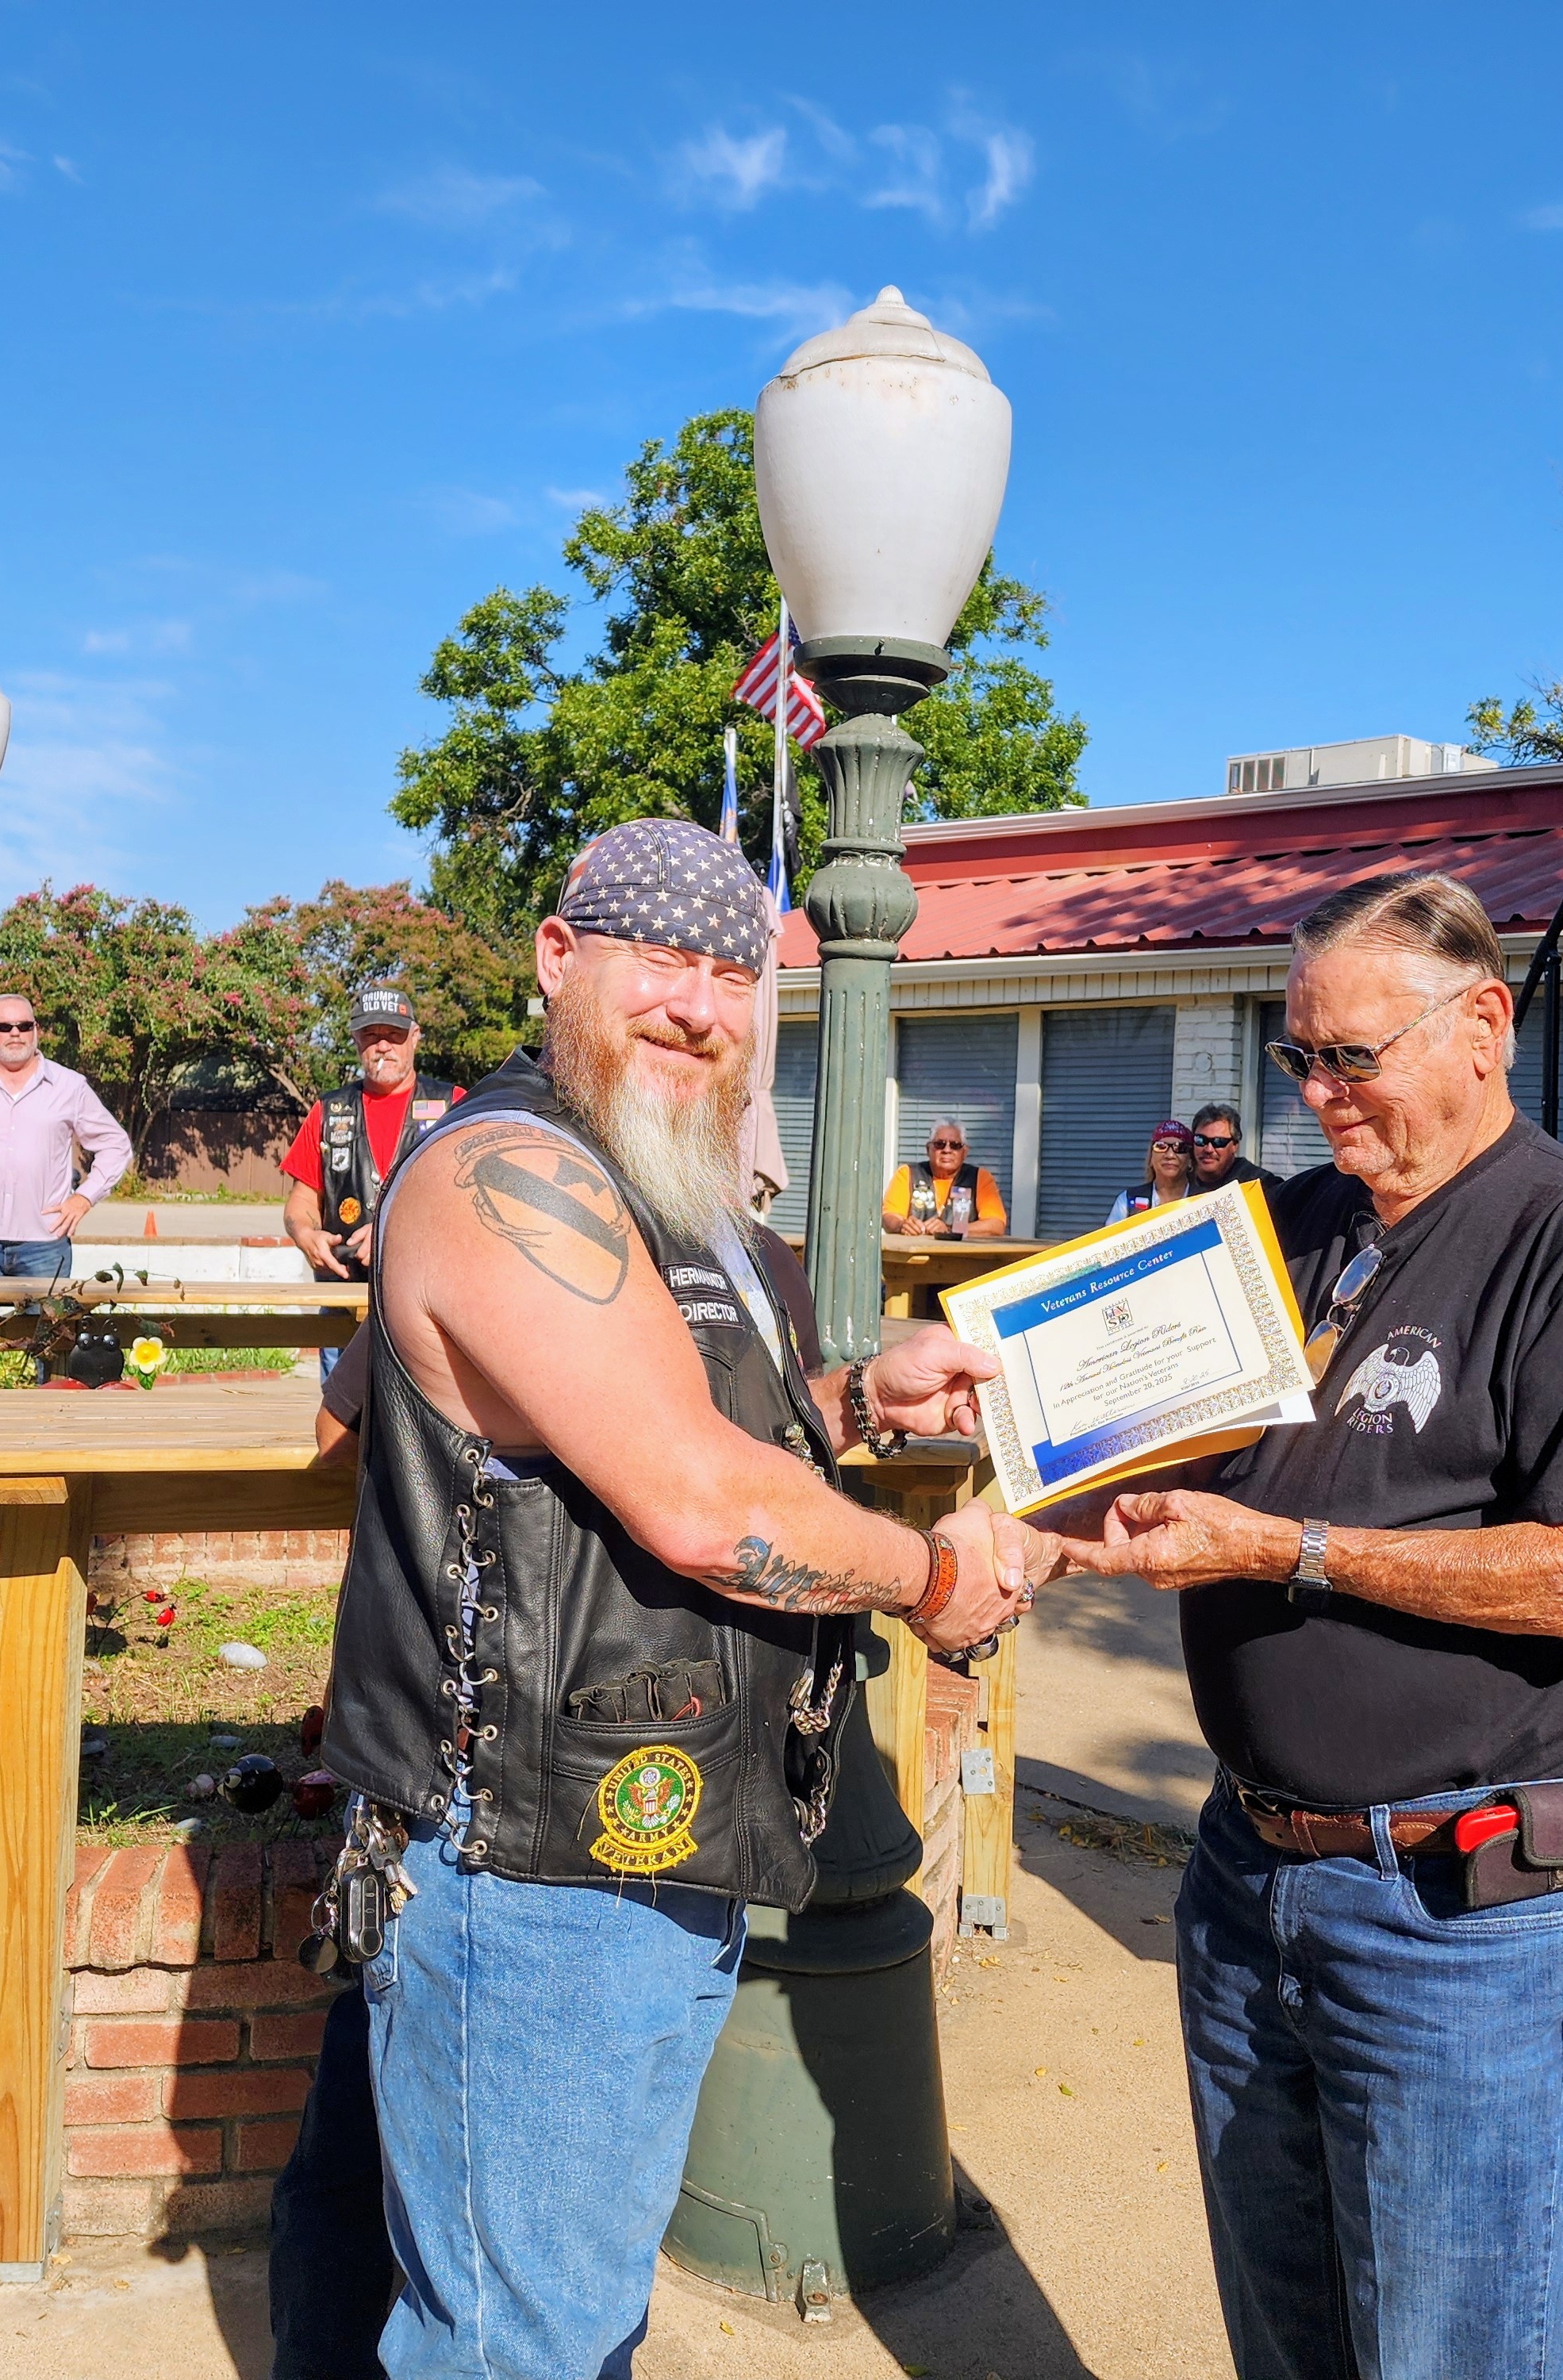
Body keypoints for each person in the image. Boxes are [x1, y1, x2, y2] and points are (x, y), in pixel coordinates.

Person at [316, 816, 1042, 2380]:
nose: (701, 1006)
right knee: (524, 2340)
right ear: (557, 961)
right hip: (529, 1867)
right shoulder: (507, 1169)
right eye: (661, 958)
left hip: (638, 1843)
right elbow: (701, 1506)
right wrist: (929, 1579)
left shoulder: (672, 1179)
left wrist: (855, 1397)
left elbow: (667, 1422)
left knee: (563, 2314)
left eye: (731, 974)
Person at [1031, 869, 1563, 2380]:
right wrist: (980, 1424)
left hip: (1465, 1916)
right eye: (1300, 1059)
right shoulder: (1291, 1225)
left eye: (1355, 1057)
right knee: (1285, 2332)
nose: (1323, 1095)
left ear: (1484, 1028)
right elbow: (1103, 1427)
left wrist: (1284, 1550)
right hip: (1251, 1877)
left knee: (1449, 2348)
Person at [0, 992, 132, 1279]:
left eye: (24, 1026)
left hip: (45, 1246)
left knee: (46, 1325)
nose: (15, 1033)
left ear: (36, 1030)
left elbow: (115, 1144)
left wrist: (85, 1198)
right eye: (4, 1027)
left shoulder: (69, 1086)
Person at [284, 982, 457, 1288]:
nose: (383, 1046)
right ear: (355, 1040)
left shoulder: (454, 1105)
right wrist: (305, 1234)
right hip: (343, 1292)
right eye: (371, 1035)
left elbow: (472, 1203)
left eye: (394, 1035)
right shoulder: (327, 1111)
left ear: (415, 1038)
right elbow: (303, 1199)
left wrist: (393, 1233)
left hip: (425, 1293)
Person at [881, 1115, 1006, 1238]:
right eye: (939, 1144)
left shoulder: (979, 1177)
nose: (947, 1150)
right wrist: (902, 1225)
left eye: (955, 1145)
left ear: (965, 1152)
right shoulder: (907, 1174)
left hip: (961, 1256)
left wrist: (950, 1230)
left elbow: (996, 1225)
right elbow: (889, 1216)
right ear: (928, 1149)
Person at [1105, 1118, 1194, 1225]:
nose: (1170, 1155)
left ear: (1190, 1160)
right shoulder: (1128, 1201)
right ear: (1151, 1158)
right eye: (1161, 1146)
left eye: (1180, 1148)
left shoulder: (1206, 1200)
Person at [1185, 1100, 1272, 1195]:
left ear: (1235, 1145)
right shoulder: (1180, 1179)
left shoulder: (1258, 1183)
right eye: (1201, 1140)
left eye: (1219, 1142)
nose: (1209, 1149)